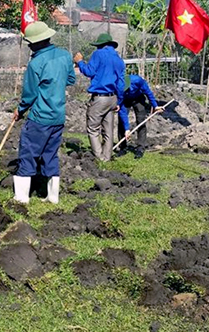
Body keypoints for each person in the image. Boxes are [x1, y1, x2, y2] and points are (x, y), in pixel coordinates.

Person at [13, 21, 76, 204]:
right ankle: (52, 197)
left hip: (40, 118)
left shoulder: (36, 63)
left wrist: (20, 110)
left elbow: (30, 94)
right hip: (58, 116)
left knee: (28, 153)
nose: (30, 46)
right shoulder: (65, 56)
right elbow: (71, 79)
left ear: (38, 42)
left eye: (30, 43)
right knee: (50, 154)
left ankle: (22, 198)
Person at [73, 33, 125, 162]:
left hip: (100, 97)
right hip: (112, 97)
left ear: (100, 45)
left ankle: (99, 157)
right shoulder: (118, 59)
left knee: (93, 128)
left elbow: (89, 71)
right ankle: (107, 157)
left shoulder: (98, 54)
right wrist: (119, 100)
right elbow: (121, 82)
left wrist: (80, 62)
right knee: (108, 130)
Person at [117, 73, 165, 158]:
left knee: (141, 121)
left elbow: (148, 93)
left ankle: (140, 148)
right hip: (125, 101)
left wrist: (155, 106)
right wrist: (127, 129)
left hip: (138, 99)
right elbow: (121, 110)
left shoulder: (138, 80)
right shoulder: (119, 89)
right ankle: (122, 147)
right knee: (121, 122)